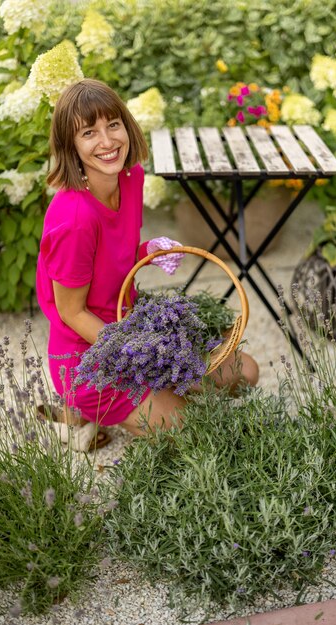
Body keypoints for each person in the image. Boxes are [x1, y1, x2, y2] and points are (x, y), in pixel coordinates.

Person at [36, 78, 259, 450]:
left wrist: (149, 250)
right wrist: (142, 354)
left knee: (245, 372)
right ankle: (85, 410)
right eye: (89, 132)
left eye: (113, 125)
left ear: (126, 124)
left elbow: (114, 254)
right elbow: (71, 312)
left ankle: (91, 416)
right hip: (91, 360)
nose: (107, 142)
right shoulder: (73, 218)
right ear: (70, 146)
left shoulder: (131, 177)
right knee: (198, 433)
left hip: (134, 328)